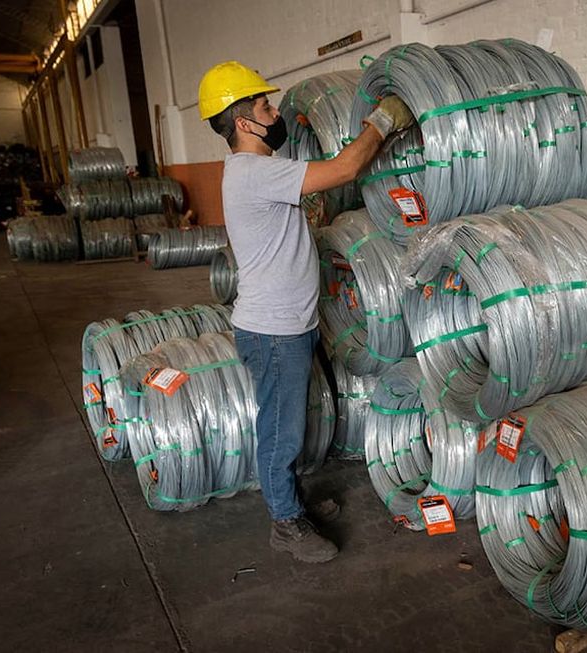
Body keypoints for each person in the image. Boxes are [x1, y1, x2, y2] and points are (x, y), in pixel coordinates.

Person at [197, 61, 413, 563]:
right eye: (265, 107)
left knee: (291, 421)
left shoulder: (256, 173)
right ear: (245, 123)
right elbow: (343, 170)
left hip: (288, 325)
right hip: (273, 332)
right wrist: (382, 121)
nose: (276, 113)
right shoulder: (255, 171)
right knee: (281, 428)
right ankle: (284, 523)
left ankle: (290, 502)